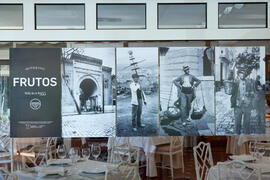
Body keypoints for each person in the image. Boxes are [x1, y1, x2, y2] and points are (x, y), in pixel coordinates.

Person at [229, 64, 255, 134]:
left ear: (245, 74)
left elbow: (253, 93)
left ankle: (246, 136)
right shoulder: (235, 82)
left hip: (247, 105)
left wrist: (249, 95)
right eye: (241, 73)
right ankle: (236, 135)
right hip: (238, 105)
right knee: (237, 122)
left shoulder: (249, 82)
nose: (242, 75)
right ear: (238, 74)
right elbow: (229, 78)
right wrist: (232, 67)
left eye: (244, 73)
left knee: (247, 123)